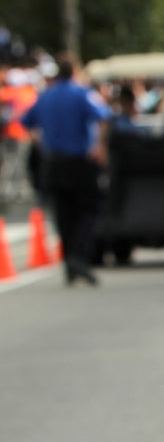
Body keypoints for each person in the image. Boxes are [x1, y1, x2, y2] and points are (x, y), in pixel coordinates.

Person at [20, 55, 109, 285]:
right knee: (89, 210)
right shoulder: (81, 93)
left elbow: (27, 123)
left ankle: (70, 259)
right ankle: (78, 255)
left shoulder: (45, 96)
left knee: (63, 214)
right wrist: (99, 147)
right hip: (78, 160)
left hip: (53, 161)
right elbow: (103, 116)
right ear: (74, 71)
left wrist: (41, 143)